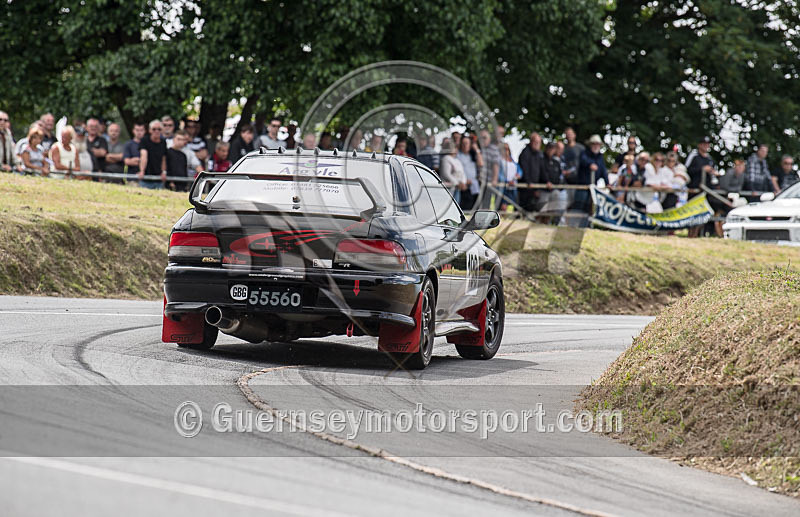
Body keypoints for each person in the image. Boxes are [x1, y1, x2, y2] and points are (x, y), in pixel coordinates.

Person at [685, 136, 719, 237]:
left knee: (702, 214)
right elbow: (687, 170)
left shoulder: (710, 159)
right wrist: (702, 169)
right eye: (704, 144)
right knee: (692, 213)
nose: (706, 146)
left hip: (706, 191)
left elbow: (712, 175)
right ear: (699, 145)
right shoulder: (693, 156)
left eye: (707, 144)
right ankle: (690, 235)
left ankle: (698, 234)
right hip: (695, 190)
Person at [572, 134, 608, 215]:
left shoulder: (600, 157)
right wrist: (590, 164)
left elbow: (603, 171)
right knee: (579, 206)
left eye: (597, 144)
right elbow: (583, 160)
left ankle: (586, 226)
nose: (596, 146)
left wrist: (607, 183)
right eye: (594, 144)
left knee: (590, 208)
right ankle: (574, 225)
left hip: (593, 187)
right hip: (583, 186)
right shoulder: (584, 153)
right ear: (590, 145)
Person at [517, 132, 544, 211]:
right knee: (525, 208)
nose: (537, 144)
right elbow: (524, 169)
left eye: (539, 142)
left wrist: (538, 187)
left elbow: (541, 170)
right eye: (535, 142)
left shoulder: (540, 154)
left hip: (536, 187)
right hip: (526, 187)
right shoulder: (525, 153)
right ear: (531, 142)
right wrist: (529, 182)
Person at [138, 119, 167, 188]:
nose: (156, 131)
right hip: (146, 177)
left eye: (159, 129)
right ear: (150, 130)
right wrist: (142, 171)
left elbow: (163, 158)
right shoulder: (144, 140)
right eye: (154, 129)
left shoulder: (163, 142)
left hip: (158, 178)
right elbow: (144, 156)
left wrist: (163, 172)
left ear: (162, 130)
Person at [456, 134, 481, 210]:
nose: (465, 145)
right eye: (463, 143)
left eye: (467, 143)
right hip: (464, 186)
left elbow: (481, 163)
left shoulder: (472, 155)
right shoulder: (458, 155)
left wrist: (476, 149)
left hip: (474, 186)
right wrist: (463, 180)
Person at [438, 139, 466, 204]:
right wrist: (457, 183)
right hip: (448, 189)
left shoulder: (457, 160)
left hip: (457, 189)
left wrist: (463, 182)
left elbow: (462, 173)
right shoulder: (445, 159)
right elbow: (446, 174)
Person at [479, 129, 502, 208]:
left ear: (489, 139)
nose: (482, 140)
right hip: (477, 182)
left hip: (488, 182)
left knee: (485, 205)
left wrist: (494, 180)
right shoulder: (478, 148)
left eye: (484, 138)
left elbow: (496, 165)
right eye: (481, 138)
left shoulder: (493, 149)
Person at [498, 143, 522, 210]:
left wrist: (518, 175)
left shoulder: (513, 161)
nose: (506, 151)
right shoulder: (499, 161)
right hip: (504, 187)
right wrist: (507, 181)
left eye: (507, 149)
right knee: (503, 207)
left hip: (513, 187)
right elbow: (498, 174)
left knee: (515, 206)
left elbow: (519, 171)